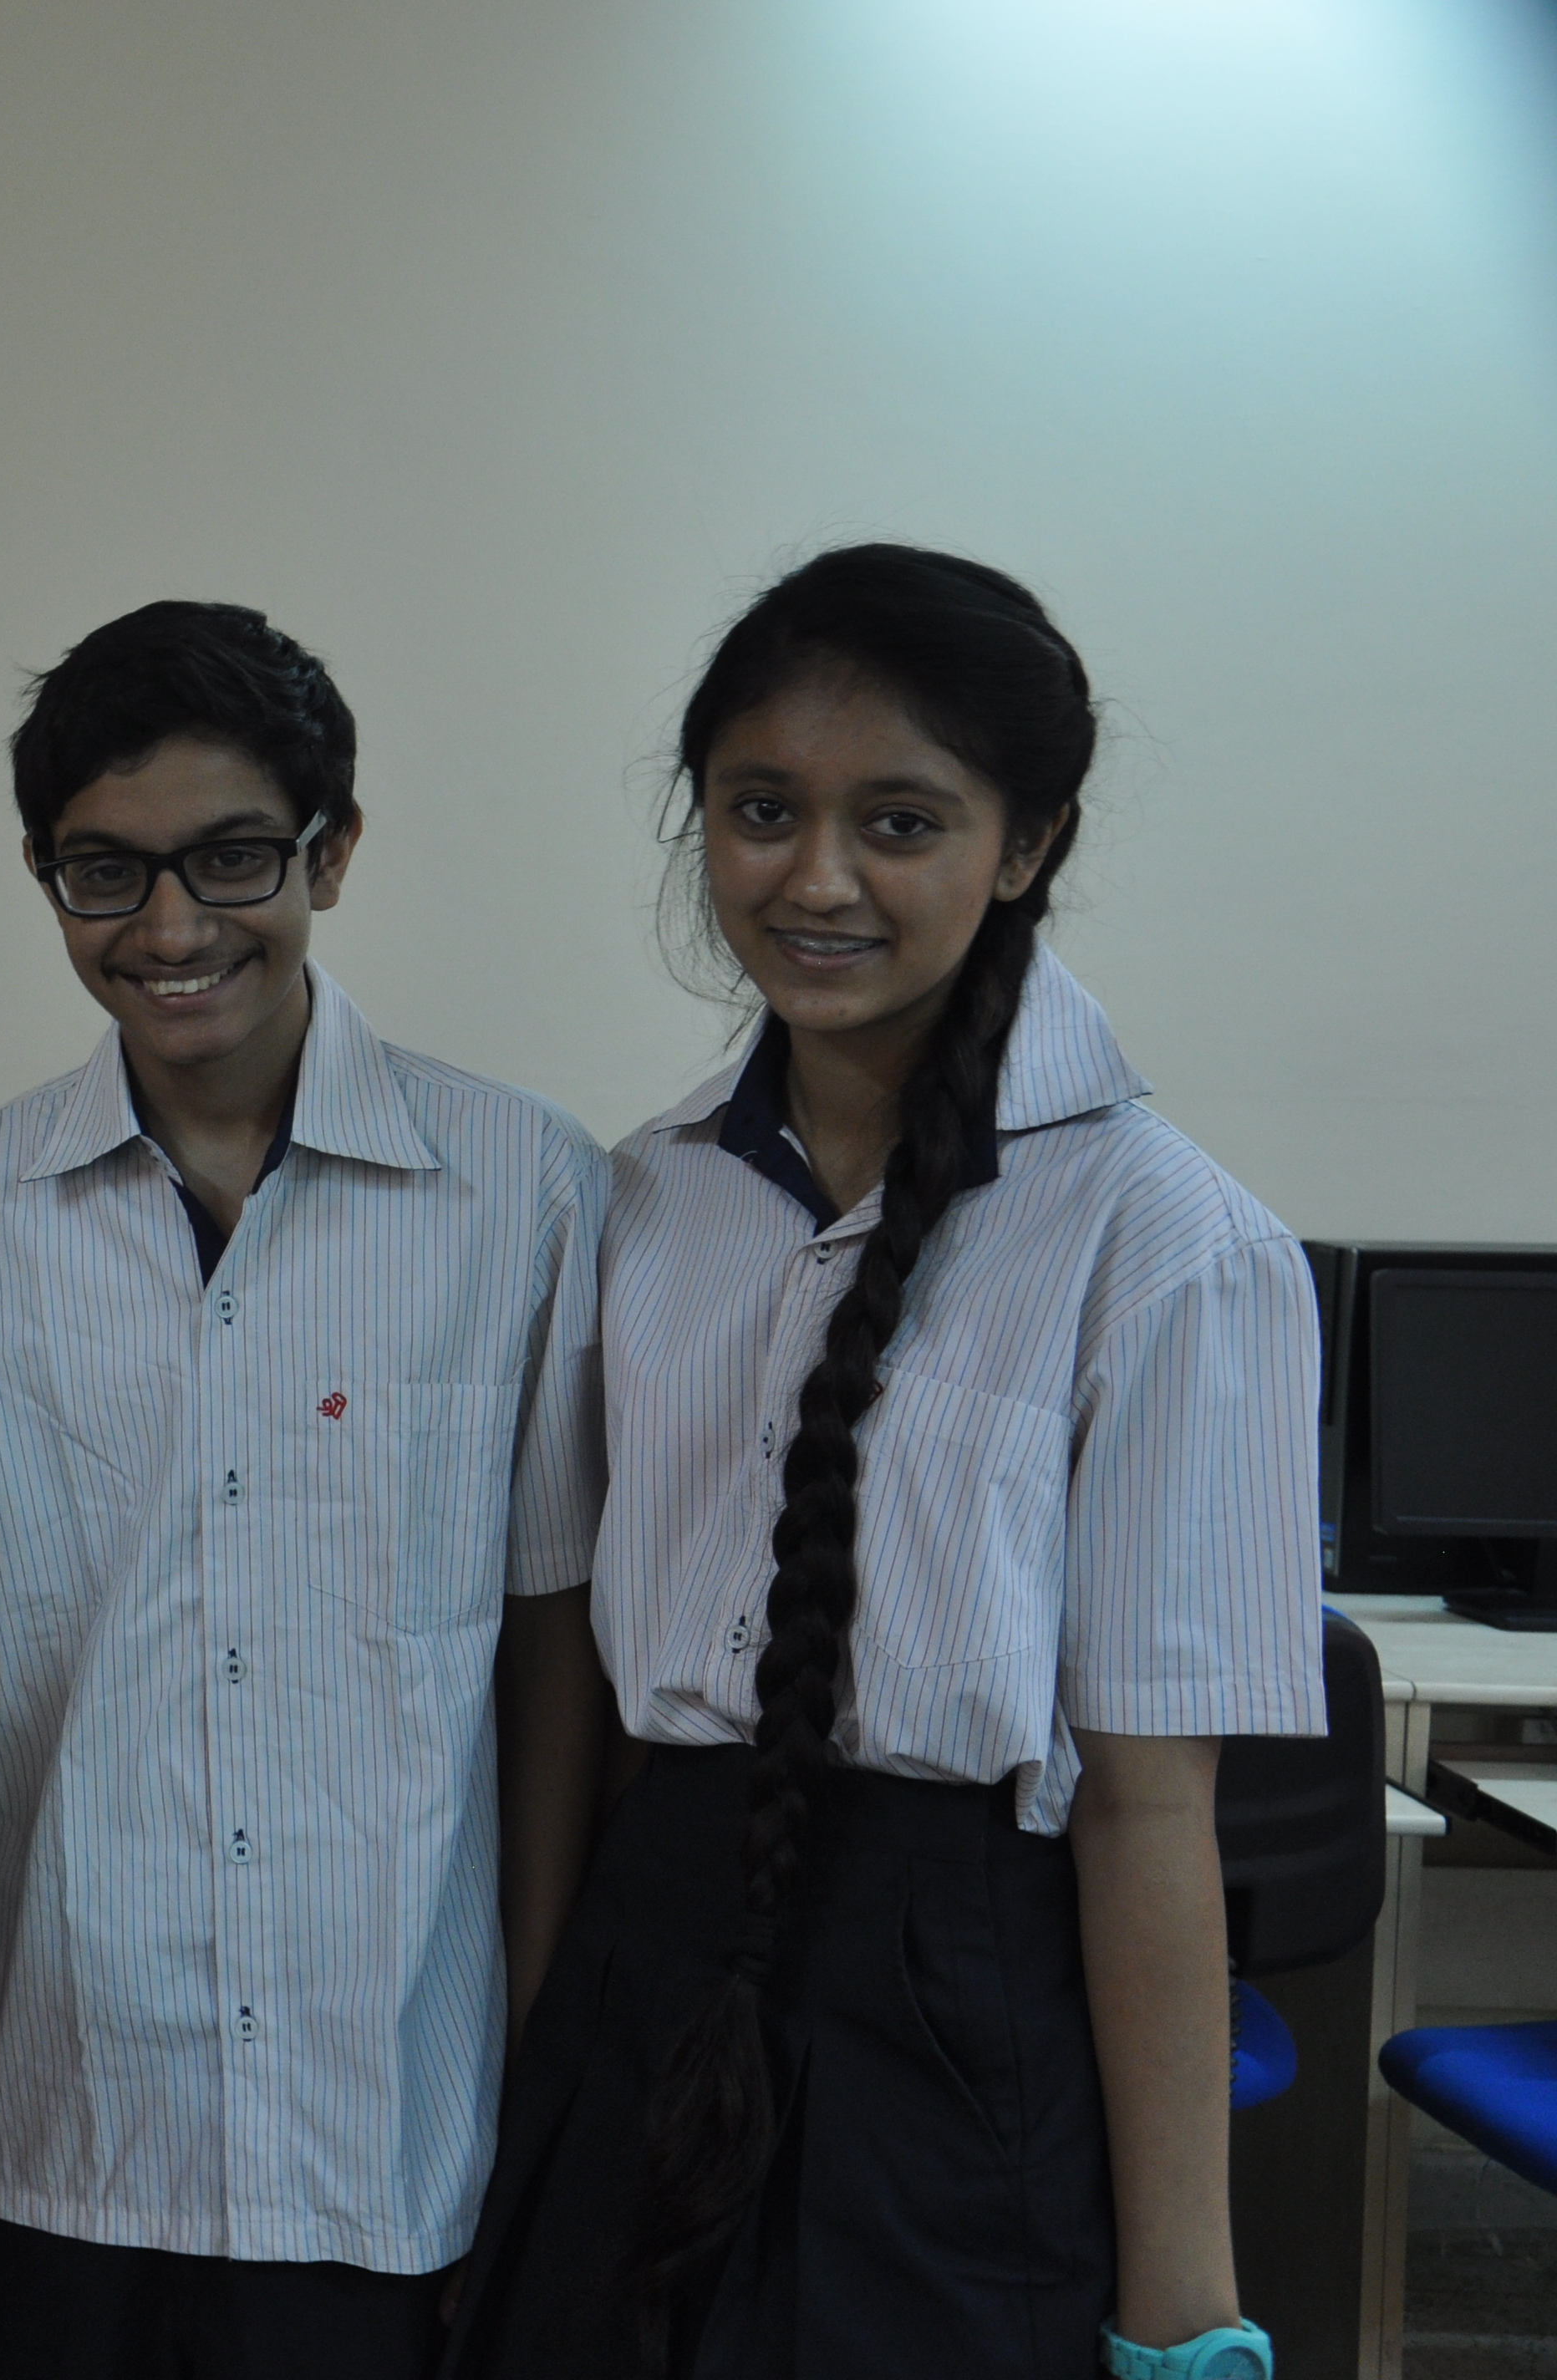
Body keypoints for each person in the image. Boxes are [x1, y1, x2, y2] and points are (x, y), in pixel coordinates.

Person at [441, 546, 1320, 2380]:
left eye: (898, 819)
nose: (813, 877)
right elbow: (576, 1690)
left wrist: (1184, 2313)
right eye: (760, 810)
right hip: (644, 1955)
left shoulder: (1167, 1241)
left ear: (1021, 844)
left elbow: (1149, 1811)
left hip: (953, 2009)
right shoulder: (641, 1197)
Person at [0, 601, 613, 2380]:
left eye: (228, 858)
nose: (167, 927)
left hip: (387, 2120)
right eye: (101, 873)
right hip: (56, 2105)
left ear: (332, 850)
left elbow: (544, 1659)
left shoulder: (518, 1186)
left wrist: (522, 2053)